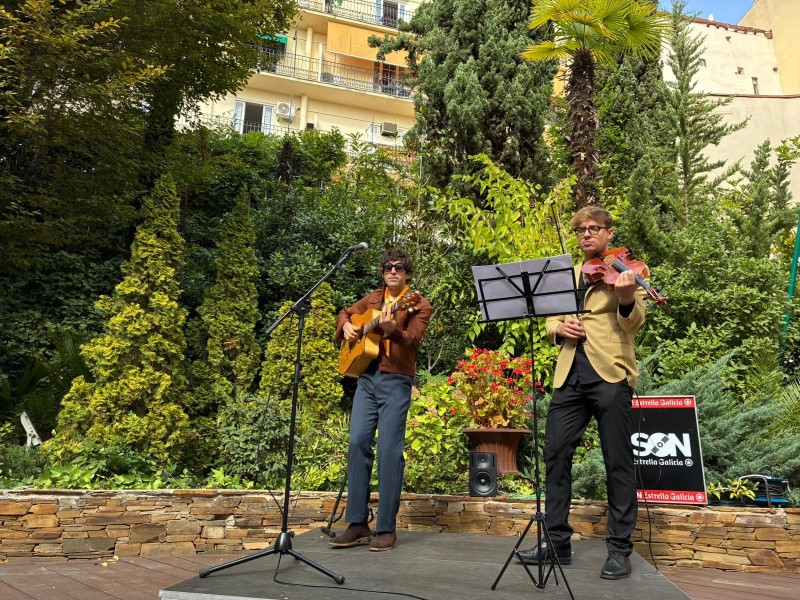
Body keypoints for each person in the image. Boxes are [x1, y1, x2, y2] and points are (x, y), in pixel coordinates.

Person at [518, 207, 647, 580]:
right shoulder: (568, 274)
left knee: (617, 461)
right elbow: (550, 320)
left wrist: (626, 298)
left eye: (593, 228)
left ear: (609, 233)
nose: (586, 234)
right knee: (556, 454)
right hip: (569, 375)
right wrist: (560, 328)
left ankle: (619, 549)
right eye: (581, 230)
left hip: (610, 373)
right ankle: (557, 541)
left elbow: (635, 322)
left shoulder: (627, 271)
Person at [330, 248, 431, 552]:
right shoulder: (374, 299)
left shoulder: (418, 304)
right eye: (388, 267)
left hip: (396, 379)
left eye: (399, 267)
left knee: (388, 450)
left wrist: (393, 331)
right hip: (367, 378)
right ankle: (357, 523)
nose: (393, 271)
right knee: (357, 442)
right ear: (382, 272)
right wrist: (347, 326)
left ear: (408, 273)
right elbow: (345, 313)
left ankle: (386, 528)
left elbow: (412, 340)